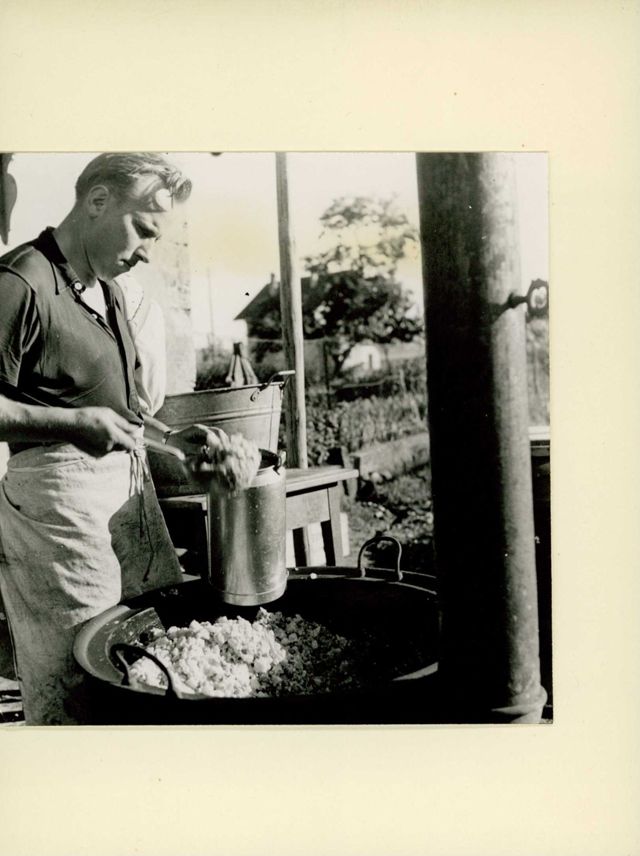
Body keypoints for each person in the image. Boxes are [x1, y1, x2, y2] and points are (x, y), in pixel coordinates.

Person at [0, 152, 210, 724]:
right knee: (80, 669)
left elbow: (120, 410)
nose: (147, 251)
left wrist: (174, 437)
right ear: (97, 202)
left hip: (124, 497)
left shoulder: (108, 289)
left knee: (149, 655)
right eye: (143, 229)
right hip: (57, 509)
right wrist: (74, 426)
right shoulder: (22, 281)